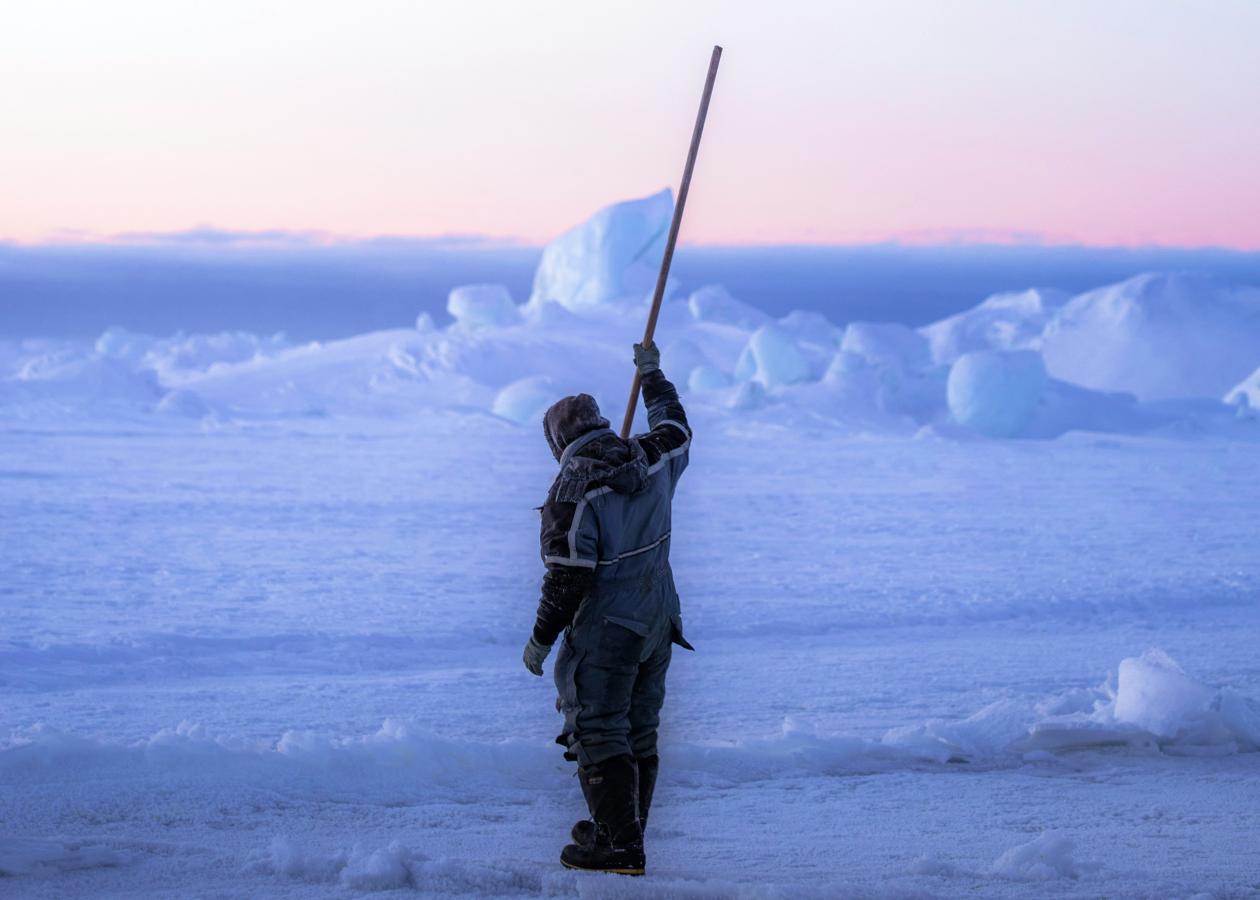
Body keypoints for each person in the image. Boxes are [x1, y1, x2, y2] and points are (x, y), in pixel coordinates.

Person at [522, 341, 694, 876]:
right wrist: (653, 378)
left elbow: (567, 578)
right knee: (640, 728)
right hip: (658, 614)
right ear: (600, 424)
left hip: (608, 628)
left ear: (558, 445)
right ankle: (622, 829)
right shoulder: (653, 455)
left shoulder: (571, 493)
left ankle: (619, 848)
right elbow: (678, 427)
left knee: (598, 728)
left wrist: (541, 639)